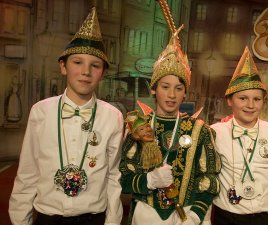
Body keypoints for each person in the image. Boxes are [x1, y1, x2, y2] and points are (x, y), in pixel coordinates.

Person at [9, 7, 124, 225]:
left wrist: (113, 222)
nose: (86, 72)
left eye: (95, 65)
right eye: (77, 62)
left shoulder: (113, 117)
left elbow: (113, 176)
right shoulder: (40, 112)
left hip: (94, 219)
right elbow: (27, 173)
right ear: (63, 66)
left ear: (103, 73)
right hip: (48, 218)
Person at [118, 26, 221, 225]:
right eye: (165, 87)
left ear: (185, 93)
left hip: (186, 217)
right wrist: (148, 181)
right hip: (145, 215)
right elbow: (122, 177)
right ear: (154, 89)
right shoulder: (138, 129)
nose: (172, 95)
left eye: (179, 88)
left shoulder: (199, 131)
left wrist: (195, 216)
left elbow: (210, 178)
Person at [210, 46, 268, 225]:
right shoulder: (215, 133)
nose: (250, 105)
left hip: (263, 218)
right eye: (243, 98)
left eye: (257, 99)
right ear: (230, 100)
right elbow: (206, 181)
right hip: (225, 216)